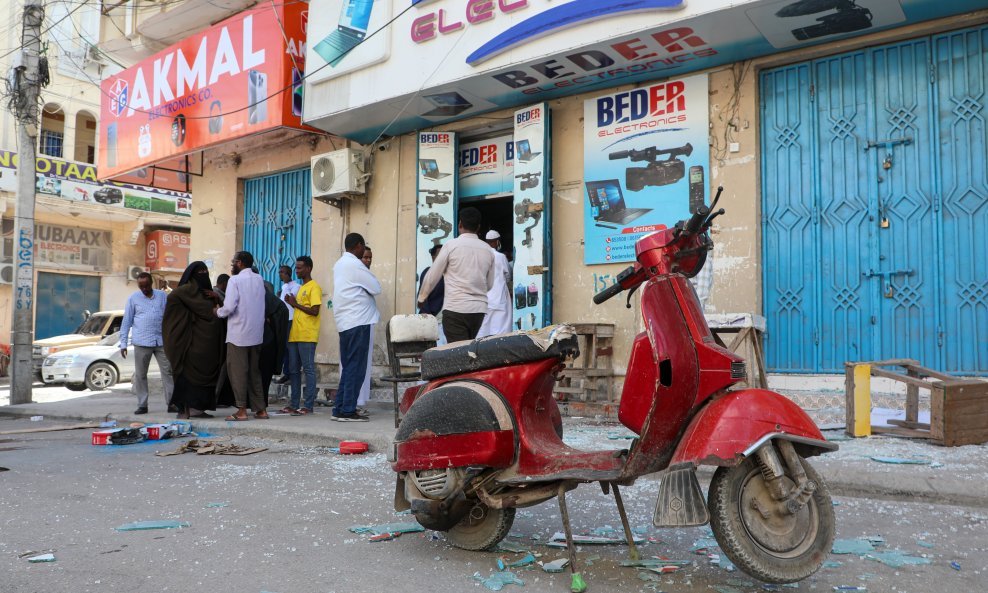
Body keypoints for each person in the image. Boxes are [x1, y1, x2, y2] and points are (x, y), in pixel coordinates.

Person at [418, 207, 494, 343]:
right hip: (478, 310)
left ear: (460, 225)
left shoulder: (451, 245)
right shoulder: (488, 250)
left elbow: (433, 275)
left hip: (455, 309)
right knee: (467, 348)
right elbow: (489, 284)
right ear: (478, 227)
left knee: (457, 352)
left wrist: (422, 297)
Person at [163, 262, 225, 419]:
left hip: (209, 345)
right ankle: (184, 408)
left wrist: (217, 298)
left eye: (205, 271)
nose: (203, 274)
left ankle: (198, 408)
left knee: (206, 378)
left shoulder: (208, 293)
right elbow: (207, 311)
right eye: (199, 271)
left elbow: (221, 312)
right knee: (187, 376)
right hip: (188, 343)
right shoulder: (182, 293)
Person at [332, 233, 381, 422]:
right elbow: (376, 287)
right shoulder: (355, 264)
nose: (364, 252)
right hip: (358, 321)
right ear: (358, 246)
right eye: (363, 248)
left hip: (345, 322)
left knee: (349, 367)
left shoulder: (339, 264)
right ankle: (348, 410)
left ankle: (340, 408)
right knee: (356, 368)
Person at [215, 251, 268, 420]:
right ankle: (261, 409)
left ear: (239, 263)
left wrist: (218, 311)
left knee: (237, 372)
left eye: (233, 262)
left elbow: (229, 307)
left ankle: (241, 409)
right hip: (256, 334)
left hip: (238, 334)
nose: (232, 266)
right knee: (254, 372)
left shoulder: (235, 280)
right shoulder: (259, 279)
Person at [119, 272, 174, 414]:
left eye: (146, 286)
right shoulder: (133, 299)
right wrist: (123, 343)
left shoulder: (162, 296)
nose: (144, 289)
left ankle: (172, 403)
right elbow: (126, 322)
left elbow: (170, 316)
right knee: (141, 375)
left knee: (168, 372)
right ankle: (142, 405)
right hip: (142, 342)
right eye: (141, 286)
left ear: (151, 284)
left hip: (161, 341)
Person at [282, 255, 322, 415]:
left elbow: (315, 311)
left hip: (307, 334)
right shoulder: (301, 288)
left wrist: (294, 304)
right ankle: (293, 404)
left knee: (308, 369)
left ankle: (308, 405)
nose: (296, 270)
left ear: (308, 268)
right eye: (296, 267)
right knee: (293, 370)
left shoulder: (314, 287)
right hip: (295, 334)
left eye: (299, 268)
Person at [478, 230, 513, 338]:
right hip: (499, 297)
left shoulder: (479, 256)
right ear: (497, 242)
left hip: (484, 299)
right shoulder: (500, 256)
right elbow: (508, 275)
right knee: (501, 329)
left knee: (483, 329)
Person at [260, 281, 289, 407]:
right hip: (269, 343)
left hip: (264, 343)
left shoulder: (272, 305)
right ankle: (261, 405)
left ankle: (259, 405)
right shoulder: (277, 304)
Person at [356, 246, 375, 416]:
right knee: (354, 364)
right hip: (356, 324)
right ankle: (353, 402)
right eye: (365, 257)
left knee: (365, 363)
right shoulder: (357, 274)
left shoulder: (367, 275)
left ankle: (360, 401)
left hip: (367, 322)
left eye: (370, 257)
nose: (368, 260)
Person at [275, 265, 300, 384]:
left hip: (291, 320)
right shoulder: (283, 287)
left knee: (290, 348)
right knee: (284, 348)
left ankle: (292, 374)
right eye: (279, 272)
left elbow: (290, 301)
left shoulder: (296, 287)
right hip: (282, 320)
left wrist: (285, 289)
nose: (280, 274)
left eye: (282, 272)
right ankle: (286, 373)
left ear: (288, 274)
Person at [418, 244, 446, 344]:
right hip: (433, 320)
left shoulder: (449, 274)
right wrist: (428, 319)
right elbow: (422, 297)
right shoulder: (428, 273)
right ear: (433, 257)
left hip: (447, 321)